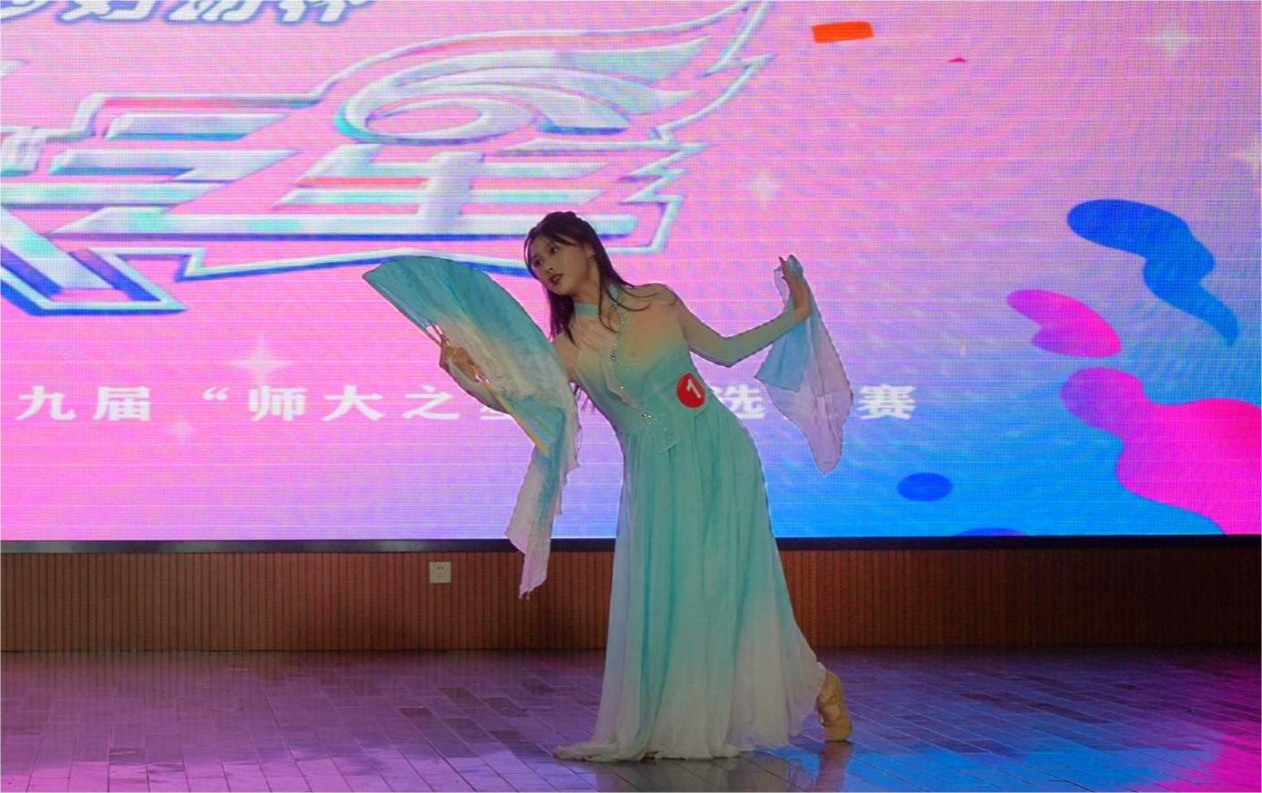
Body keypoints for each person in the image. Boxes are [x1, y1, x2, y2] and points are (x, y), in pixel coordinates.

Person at [439, 211, 851, 761]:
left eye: (553, 251)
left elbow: (725, 351)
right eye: (536, 263)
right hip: (655, 475)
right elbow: (517, 401)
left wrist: (793, 315)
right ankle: (795, 688)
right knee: (676, 594)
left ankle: (803, 684)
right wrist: (464, 374)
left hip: (719, 452)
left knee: (730, 585)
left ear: (587, 246)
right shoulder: (565, 348)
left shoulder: (657, 301)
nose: (545, 267)